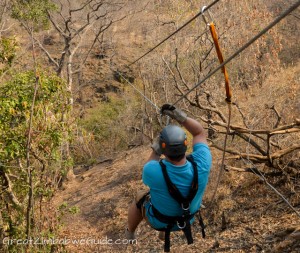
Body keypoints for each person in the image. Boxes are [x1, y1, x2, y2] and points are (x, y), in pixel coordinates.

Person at [126, 104, 212, 251]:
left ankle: (130, 232)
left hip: (159, 221)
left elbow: (151, 162)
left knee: (141, 197)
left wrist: (155, 150)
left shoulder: (153, 171)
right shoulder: (202, 162)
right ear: (185, 145)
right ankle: (162, 232)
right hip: (187, 220)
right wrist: (180, 116)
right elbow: (199, 133)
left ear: (163, 149)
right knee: (163, 193)